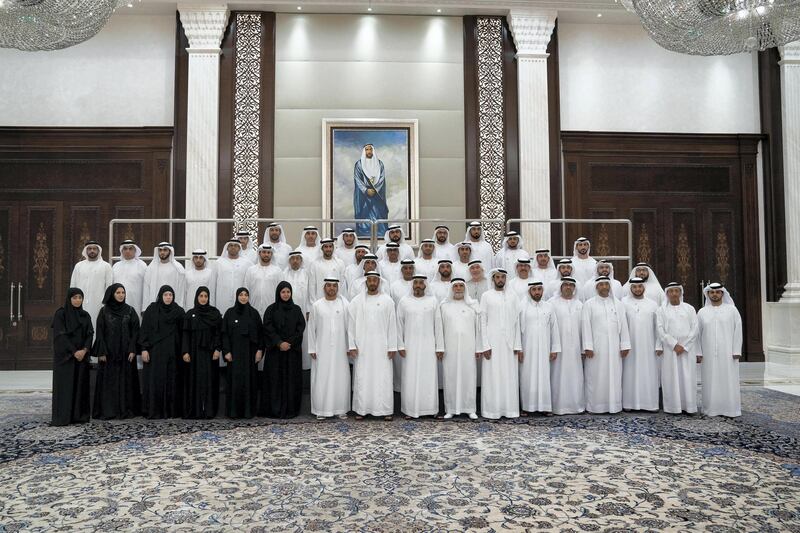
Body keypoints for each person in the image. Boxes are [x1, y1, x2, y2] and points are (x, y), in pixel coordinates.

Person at [347, 272, 398, 420]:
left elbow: (392, 326)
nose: (372, 282)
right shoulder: (356, 302)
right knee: (363, 377)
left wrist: (392, 347)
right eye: (370, 280)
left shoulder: (388, 301)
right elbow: (350, 326)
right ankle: (362, 410)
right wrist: (352, 345)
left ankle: (385, 410)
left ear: (379, 282)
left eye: (375, 280)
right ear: (366, 282)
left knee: (383, 378)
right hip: (362, 348)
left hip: (382, 347)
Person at [581, 276, 631, 414]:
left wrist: (625, 344)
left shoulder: (618, 304)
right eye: (601, 284)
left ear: (609, 286)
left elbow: (624, 325)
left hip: (614, 348)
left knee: (614, 376)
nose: (604, 287)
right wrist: (588, 346)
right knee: (595, 376)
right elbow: (586, 325)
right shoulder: (589, 304)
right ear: (596, 287)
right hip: (596, 349)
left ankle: (614, 405)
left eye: (606, 284)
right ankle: (595, 406)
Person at [435, 278, 483, 419]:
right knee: (450, 377)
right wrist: (440, 348)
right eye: (455, 286)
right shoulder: (444, 306)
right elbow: (439, 328)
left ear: (465, 288)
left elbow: (479, 329)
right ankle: (450, 409)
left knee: (469, 377)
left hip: (469, 348)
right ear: (451, 288)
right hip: (450, 349)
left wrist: (478, 348)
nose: (458, 288)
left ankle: (470, 409)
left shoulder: (473, 305)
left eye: (461, 286)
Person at [92, 283, 141, 420]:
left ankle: (126, 410)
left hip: (126, 354)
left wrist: (132, 349)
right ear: (112, 294)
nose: (121, 295)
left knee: (126, 382)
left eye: (123, 293)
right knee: (109, 382)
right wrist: (101, 352)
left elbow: (136, 332)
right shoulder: (104, 311)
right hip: (109, 354)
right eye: (118, 293)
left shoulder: (130, 311)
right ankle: (109, 411)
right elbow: (100, 333)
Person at [480, 269, 523, 419]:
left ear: (506, 279)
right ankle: (492, 411)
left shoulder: (513, 297)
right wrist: (485, 345)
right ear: (493, 279)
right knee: (493, 376)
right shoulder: (486, 296)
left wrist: (517, 345)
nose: (500, 279)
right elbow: (482, 321)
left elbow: (517, 322)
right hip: (492, 343)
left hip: (510, 344)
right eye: (497, 277)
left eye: (502, 277)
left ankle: (510, 410)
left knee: (509, 376)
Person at [697, 282, 743, 418]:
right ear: (708, 294)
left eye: (717, 292)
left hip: (728, 353)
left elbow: (738, 330)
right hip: (708, 353)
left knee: (729, 380)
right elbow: (697, 334)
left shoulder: (732, 310)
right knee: (710, 381)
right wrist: (698, 352)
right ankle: (710, 409)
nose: (715, 295)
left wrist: (736, 350)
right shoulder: (702, 312)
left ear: (722, 293)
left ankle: (730, 409)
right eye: (712, 292)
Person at [262, 281, 306, 418]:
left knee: (291, 381)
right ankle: (274, 409)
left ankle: (290, 410)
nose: (286, 294)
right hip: (275, 353)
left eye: (288, 292)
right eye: (283, 292)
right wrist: (279, 343)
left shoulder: (297, 310)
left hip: (292, 353)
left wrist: (289, 343)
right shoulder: (271, 310)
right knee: (275, 381)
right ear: (278, 293)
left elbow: (300, 328)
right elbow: (268, 328)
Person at [307, 278, 351, 419]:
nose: (331, 288)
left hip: (340, 348)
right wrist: (312, 348)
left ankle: (341, 408)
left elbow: (349, 328)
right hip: (321, 349)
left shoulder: (344, 305)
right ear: (324, 287)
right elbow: (311, 329)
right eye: (329, 286)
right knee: (322, 378)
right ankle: (321, 410)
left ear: (338, 288)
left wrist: (350, 345)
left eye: (334, 286)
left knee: (341, 377)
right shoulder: (317, 305)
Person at [397, 275, 439, 419]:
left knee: (428, 377)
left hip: (429, 347)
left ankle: (430, 409)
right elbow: (399, 325)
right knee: (410, 377)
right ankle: (410, 410)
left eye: (421, 283)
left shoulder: (433, 301)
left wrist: (439, 347)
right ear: (412, 285)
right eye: (416, 283)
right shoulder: (404, 302)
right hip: (410, 347)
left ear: (425, 285)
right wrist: (400, 345)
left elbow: (438, 325)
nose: (418, 285)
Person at [139, 285, 184, 419]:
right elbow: (144, 330)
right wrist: (144, 349)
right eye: (165, 295)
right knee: (155, 381)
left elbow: (183, 334)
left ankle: (171, 411)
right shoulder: (152, 310)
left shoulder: (179, 312)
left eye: (170, 295)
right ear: (160, 296)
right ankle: (155, 410)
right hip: (155, 353)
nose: (168, 297)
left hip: (173, 353)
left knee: (172, 380)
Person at [50, 288, 93, 426]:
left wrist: (84, 350)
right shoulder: (60, 314)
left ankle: (79, 416)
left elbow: (89, 334)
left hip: (82, 357)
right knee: (65, 387)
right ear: (69, 299)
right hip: (66, 358)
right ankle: (63, 417)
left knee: (80, 386)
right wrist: (74, 352)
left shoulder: (85, 315)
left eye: (80, 297)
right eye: (74, 297)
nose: (77, 300)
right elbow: (60, 335)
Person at [519, 281, 561, 415]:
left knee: (544, 376)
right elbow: (517, 330)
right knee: (527, 377)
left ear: (542, 291)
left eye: (539, 289)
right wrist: (519, 348)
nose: (537, 292)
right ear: (529, 291)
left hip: (544, 349)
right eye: (534, 289)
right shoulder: (522, 307)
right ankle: (527, 407)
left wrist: (554, 348)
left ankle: (545, 407)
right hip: (527, 349)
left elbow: (554, 329)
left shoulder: (549, 307)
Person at [657, 282, 699, 414]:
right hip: (670, 350)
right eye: (671, 291)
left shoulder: (689, 309)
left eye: (677, 291)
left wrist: (684, 346)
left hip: (687, 350)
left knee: (687, 377)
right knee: (671, 378)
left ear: (680, 293)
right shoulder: (661, 310)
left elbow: (695, 329)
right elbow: (660, 330)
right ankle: (672, 407)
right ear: (667, 294)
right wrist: (674, 344)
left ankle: (689, 407)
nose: (674, 294)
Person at [181, 286, 223, 419]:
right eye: (201, 296)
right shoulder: (190, 314)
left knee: (209, 381)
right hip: (194, 353)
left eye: (205, 296)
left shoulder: (215, 314)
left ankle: (209, 411)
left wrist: (217, 349)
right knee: (194, 380)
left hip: (210, 353)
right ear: (196, 297)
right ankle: (195, 410)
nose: (203, 299)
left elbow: (218, 334)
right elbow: (185, 335)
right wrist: (185, 352)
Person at [222, 288, 263, 419]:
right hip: (234, 355)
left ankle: (248, 412)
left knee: (249, 381)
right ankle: (234, 412)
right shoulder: (229, 313)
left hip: (250, 355)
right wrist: (226, 351)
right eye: (241, 295)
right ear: (237, 296)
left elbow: (261, 334)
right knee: (234, 382)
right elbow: (224, 334)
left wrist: (260, 351)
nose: (243, 297)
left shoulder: (254, 314)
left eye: (246, 295)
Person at [621, 277, 662, 412]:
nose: (637, 289)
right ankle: (629, 404)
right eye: (634, 287)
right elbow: (621, 326)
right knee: (629, 373)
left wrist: (658, 345)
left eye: (640, 287)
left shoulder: (653, 304)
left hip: (648, 346)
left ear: (644, 288)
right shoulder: (623, 303)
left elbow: (658, 327)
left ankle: (650, 404)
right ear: (630, 288)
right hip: (629, 347)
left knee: (648, 373)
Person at [549, 277, 585, 415]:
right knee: (557, 375)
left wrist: (583, 347)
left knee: (576, 376)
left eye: (571, 285)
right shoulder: (552, 304)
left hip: (576, 349)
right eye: (566, 285)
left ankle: (577, 405)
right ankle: (558, 406)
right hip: (558, 349)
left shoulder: (580, 305)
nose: (568, 287)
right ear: (560, 287)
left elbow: (584, 328)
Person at [70, 240, 113, 334]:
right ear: (86, 250)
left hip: (99, 304)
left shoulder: (106, 266)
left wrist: (106, 304)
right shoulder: (79, 266)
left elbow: (109, 287)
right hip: (80, 304)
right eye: (89, 249)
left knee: (97, 327)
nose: (92, 251)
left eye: (94, 249)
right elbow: (73, 286)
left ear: (98, 251)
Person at [282, 251, 312, 370]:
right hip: (287, 313)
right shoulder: (284, 274)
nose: (295, 261)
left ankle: (305, 367)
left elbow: (310, 292)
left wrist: (309, 310)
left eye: (297, 258)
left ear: (301, 260)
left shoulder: (306, 274)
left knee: (303, 338)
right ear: (289, 261)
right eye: (293, 259)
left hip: (304, 312)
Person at [353, 143, 389, 237]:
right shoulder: (359, 164)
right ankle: (364, 233)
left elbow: (382, 178)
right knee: (364, 213)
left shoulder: (379, 163)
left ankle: (380, 232)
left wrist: (375, 189)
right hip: (364, 195)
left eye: (370, 149)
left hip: (377, 193)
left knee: (378, 212)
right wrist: (365, 190)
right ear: (364, 151)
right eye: (367, 150)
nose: (369, 152)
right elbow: (357, 179)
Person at [143, 242, 186, 308]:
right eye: (160, 250)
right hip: (155, 306)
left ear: (170, 251)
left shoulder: (178, 268)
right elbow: (146, 289)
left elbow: (181, 290)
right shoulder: (151, 268)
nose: (162, 252)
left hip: (173, 307)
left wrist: (179, 307)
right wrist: (145, 308)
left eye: (165, 250)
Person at [244, 244, 282, 316]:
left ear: (271, 254)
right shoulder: (251, 270)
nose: (266, 255)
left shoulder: (277, 271)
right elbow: (246, 289)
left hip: (272, 309)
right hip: (253, 307)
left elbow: (281, 291)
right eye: (264, 252)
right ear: (259, 253)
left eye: (268, 252)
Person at [112, 239, 147, 317]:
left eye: (130, 248)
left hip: (136, 302)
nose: (127, 251)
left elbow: (147, 286)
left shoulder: (142, 265)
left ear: (135, 251)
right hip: (118, 303)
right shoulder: (116, 266)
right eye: (125, 249)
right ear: (122, 251)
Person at [215, 240, 251, 316]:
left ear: (239, 248)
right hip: (222, 299)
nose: (233, 247)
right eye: (231, 245)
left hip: (241, 299)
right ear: (227, 248)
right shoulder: (218, 263)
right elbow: (212, 284)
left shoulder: (247, 263)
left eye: (236, 246)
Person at [308, 238, 348, 303]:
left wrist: (342, 302)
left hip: (337, 302)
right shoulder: (315, 264)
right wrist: (313, 303)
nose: (328, 249)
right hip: (319, 302)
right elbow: (312, 286)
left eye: (330, 246)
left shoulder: (340, 263)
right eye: (326, 247)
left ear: (333, 248)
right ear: (322, 248)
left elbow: (342, 285)